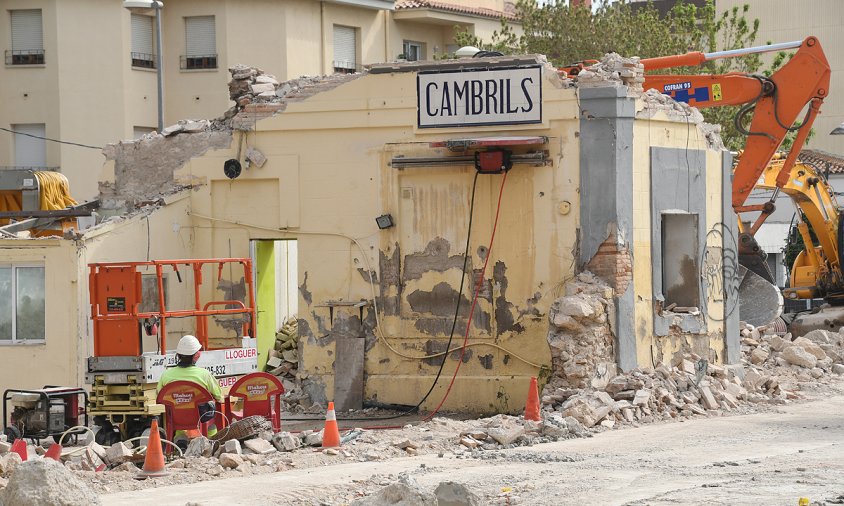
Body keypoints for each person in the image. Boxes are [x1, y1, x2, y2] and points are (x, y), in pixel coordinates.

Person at [157, 335, 222, 444]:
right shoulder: (204, 374)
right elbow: (218, 396)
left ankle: (180, 439)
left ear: (178, 355)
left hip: (176, 417)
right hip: (201, 417)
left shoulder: (166, 375)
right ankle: (212, 439)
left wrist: (181, 399)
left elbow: (159, 396)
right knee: (211, 409)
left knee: (178, 411)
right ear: (196, 355)